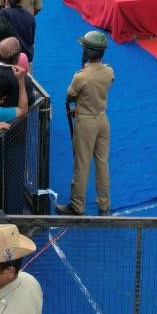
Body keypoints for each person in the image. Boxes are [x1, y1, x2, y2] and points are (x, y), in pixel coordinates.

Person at [58, 31, 114, 216]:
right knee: (102, 163)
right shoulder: (108, 71)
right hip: (102, 119)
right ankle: (104, 204)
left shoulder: (81, 76)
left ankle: (77, 205)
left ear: (88, 51)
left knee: (82, 164)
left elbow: (69, 96)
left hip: (86, 122)